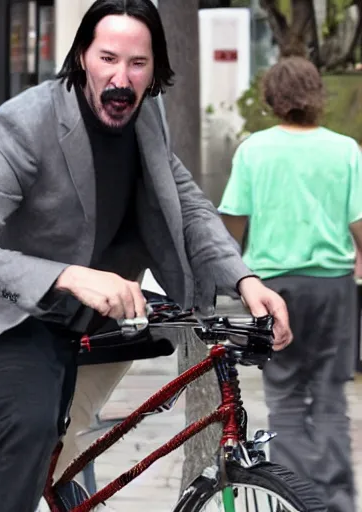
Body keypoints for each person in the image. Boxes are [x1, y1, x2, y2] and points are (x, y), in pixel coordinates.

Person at [0, 1, 293, 510]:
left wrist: (245, 280)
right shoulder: (23, 124)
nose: (121, 79)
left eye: (137, 64)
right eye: (108, 59)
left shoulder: (147, 118)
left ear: (154, 70)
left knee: (70, 440)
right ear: (82, 56)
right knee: (35, 423)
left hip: (103, 312)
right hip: (12, 316)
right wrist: (69, 276)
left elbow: (187, 206)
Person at [219, 56, 362, 512]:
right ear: (317, 93)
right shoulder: (346, 151)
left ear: (271, 99)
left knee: (284, 399)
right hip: (334, 289)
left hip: (273, 288)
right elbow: (359, 226)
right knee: (329, 399)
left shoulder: (253, 151)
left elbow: (232, 226)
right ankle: (338, 503)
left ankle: (298, 503)